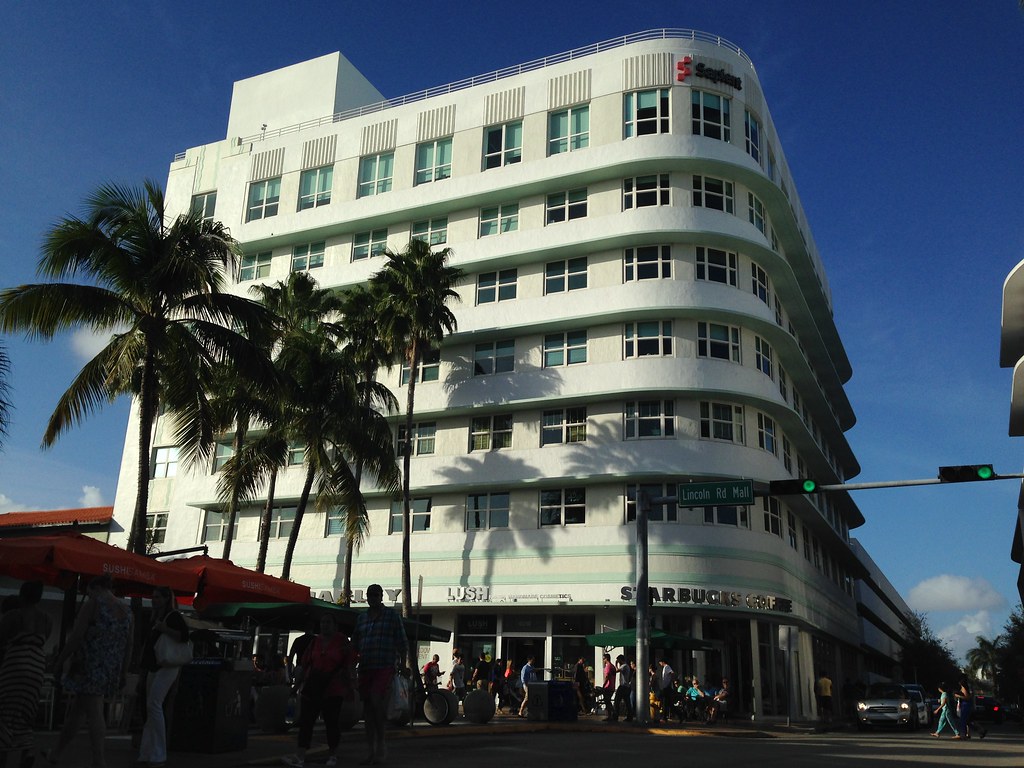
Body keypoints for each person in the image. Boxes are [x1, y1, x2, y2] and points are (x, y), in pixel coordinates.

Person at [48, 574, 132, 768]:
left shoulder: (94, 605)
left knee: (94, 710)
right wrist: (123, 672)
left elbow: (76, 637)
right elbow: (129, 644)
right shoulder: (126, 611)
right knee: (78, 710)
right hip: (111, 666)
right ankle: (56, 753)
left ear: (94, 588)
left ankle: (99, 760)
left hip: (89, 665)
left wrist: (60, 661)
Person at [282, 614, 357, 768]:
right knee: (306, 722)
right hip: (313, 686)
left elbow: (349, 665)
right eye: (322, 622)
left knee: (332, 723)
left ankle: (333, 755)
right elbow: (305, 665)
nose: (324, 625)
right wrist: (296, 686)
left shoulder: (342, 642)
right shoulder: (315, 642)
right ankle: (300, 755)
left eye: (328, 622)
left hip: (334, 688)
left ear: (335, 625)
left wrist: (350, 687)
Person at [0, 580, 53, 768]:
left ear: (22, 595)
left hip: (15, 663)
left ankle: (3, 755)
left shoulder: (13, 616)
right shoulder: (46, 619)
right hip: (37, 664)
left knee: (5, 710)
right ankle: (27, 749)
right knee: (27, 710)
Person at [352, 584, 407, 766]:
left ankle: (381, 744)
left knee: (376, 702)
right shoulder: (362, 619)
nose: (372, 597)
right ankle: (370, 750)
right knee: (367, 710)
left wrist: (403, 665)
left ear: (381, 596)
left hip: (384, 666)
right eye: (370, 595)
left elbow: (402, 641)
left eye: (376, 594)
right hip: (366, 667)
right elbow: (355, 644)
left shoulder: (392, 616)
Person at [138, 586, 190, 768]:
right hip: (158, 665)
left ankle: (157, 752)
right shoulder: (158, 617)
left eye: (158, 597)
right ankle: (149, 751)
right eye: (153, 597)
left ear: (166, 599)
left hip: (166, 666)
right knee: (152, 706)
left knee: (154, 704)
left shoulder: (171, 617)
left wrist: (164, 628)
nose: (154, 600)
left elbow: (184, 636)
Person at [612, 655, 634, 721]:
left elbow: (616, 671)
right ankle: (630, 716)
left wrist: (616, 664)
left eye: (618, 661)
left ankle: (615, 716)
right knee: (627, 702)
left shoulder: (624, 666)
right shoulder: (626, 666)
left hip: (623, 686)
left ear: (621, 660)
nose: (618, 662)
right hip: (626, 686)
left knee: (617, 701)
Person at [656, 658, 675, 723]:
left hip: (667, 687)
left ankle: (664, 717)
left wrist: (670, 683)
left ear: (663, 662)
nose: (660, 664)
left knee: (665, 702)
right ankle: (665, 717)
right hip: (666, 687)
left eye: (660, 662)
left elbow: (672, 673)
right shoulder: (665, 668)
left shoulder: (667, 667)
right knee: (668, 703)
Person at [600, 653, 616, 721]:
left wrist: (603, 685)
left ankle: (611, 715)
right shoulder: (613, 666)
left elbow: (607, 677)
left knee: (607, 701)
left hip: (608, 687)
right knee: (608, 701)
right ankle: (612, 715)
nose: (603, 660)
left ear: (606, 659)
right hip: (612, 686)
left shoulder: (607, 667)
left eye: (604, 659)